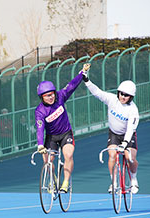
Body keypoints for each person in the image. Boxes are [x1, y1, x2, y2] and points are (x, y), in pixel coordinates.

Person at [82, 64, 139, 194]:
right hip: (114, 133)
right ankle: (113, 182)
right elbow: (97, 92)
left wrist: (125, 143)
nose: (123, 97)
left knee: (129, 157)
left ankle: (134, 180)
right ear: (118, 92)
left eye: (127, 95)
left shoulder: (133, 110)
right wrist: (86, 80)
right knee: (112, 155)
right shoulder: (112, 99)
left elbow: (131, 128)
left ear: (131, 97)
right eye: (121, 94)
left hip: (127, 136)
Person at [35, 64, 90, 193]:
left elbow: (71, 85)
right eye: (47, 95)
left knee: (68, 155)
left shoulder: (60, 96)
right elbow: (39, 128)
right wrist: (40, 145)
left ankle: (65, 182)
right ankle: (53, 180)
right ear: (41, 97)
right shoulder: (40, 111)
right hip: (51, 137)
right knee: (47, 160)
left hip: (66, 134)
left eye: (52, 94)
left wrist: (82, 73)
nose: (51, 97)